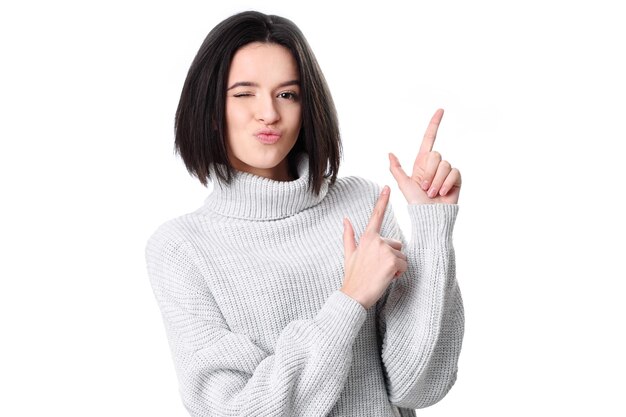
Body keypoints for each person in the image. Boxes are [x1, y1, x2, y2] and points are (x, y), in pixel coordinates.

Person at [145, 10, 464, 417]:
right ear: (209, 108)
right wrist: (350, 301)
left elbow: (419, 385)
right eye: (244, 94)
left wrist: (433, 226)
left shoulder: (362, 203)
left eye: (287, 94)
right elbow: (238, 410)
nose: (269, 113)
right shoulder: (181, 248)